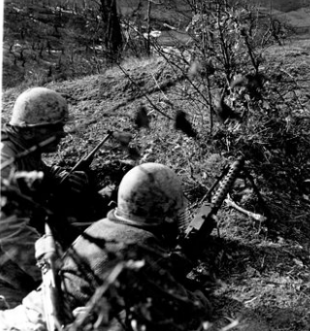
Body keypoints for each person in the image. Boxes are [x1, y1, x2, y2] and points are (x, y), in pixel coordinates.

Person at [0, 162, 210, 331]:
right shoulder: (141, 246)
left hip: (24, 314)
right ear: (161, 211)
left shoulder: (101, 227)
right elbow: (190, 312)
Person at [0, 87, 89, 308]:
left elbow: (42, 171)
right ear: (30, 132)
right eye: (54, 128)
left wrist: (63, 176)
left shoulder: (23, 148)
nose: (62, 133)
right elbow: (11, 233)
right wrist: (55, 274)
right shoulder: (5, 161)